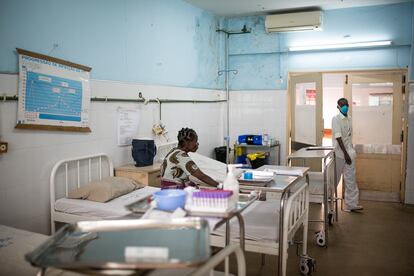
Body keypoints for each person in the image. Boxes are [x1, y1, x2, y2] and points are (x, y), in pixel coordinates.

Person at [332, 98, 363, 212]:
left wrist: (350, 152)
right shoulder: (336, 119)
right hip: (339, 154)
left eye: (346, 104)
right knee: (335, 178)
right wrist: (345, 154)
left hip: (349, 153)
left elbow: (348, 137)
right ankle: (329, 198)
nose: (345, 106)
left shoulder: (349, 119)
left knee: (351, 179)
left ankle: (351, 204)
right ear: (338, 107)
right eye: (342, 105)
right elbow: (338, 137)